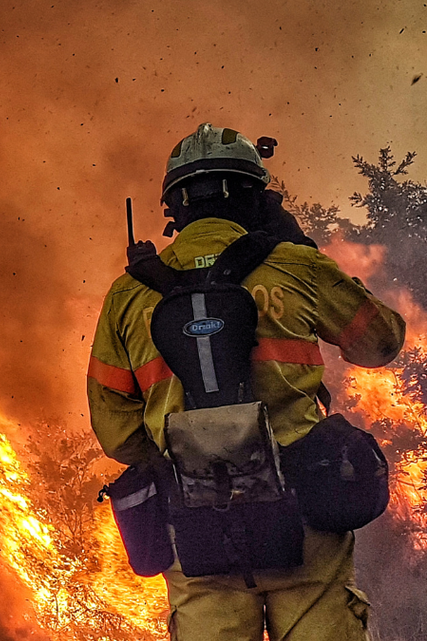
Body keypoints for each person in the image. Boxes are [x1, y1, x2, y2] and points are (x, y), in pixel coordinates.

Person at [87, 123, 405, 641]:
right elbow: (382, 343)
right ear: (257, 198)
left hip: (197, 530)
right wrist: (299, 246)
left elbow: (117, 435)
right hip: (306, 517)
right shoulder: (294, 265)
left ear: (175, 208)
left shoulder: (129, 295)